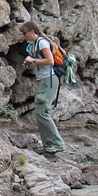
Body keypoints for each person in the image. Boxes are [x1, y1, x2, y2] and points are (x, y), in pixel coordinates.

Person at [20, 21, 65, 154]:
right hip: (45, 79)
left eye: (24, 33)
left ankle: (56, 143)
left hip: (49, 79)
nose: (24, 36)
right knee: (40, 111)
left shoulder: (42, 42)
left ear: (32, 32)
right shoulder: (34, 45)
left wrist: (33, 60)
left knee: (42, 111)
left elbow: (50, 61)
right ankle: (49, 144)